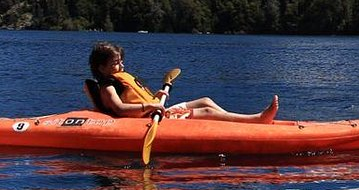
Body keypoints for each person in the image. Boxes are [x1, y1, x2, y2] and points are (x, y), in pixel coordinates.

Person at [88, 42, 278, 123]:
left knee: (205, 100)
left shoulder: (118, 80)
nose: (121, 66)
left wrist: (157, 97)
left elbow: (136, 102)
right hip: (147, 120)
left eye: (121, 61)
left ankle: (233, 120)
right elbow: (120, 109)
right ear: (101, 68)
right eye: (115, 63)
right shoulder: (108, 86)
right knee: (206, 112)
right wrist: (151, 105)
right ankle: (257, 119)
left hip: (152, 112)